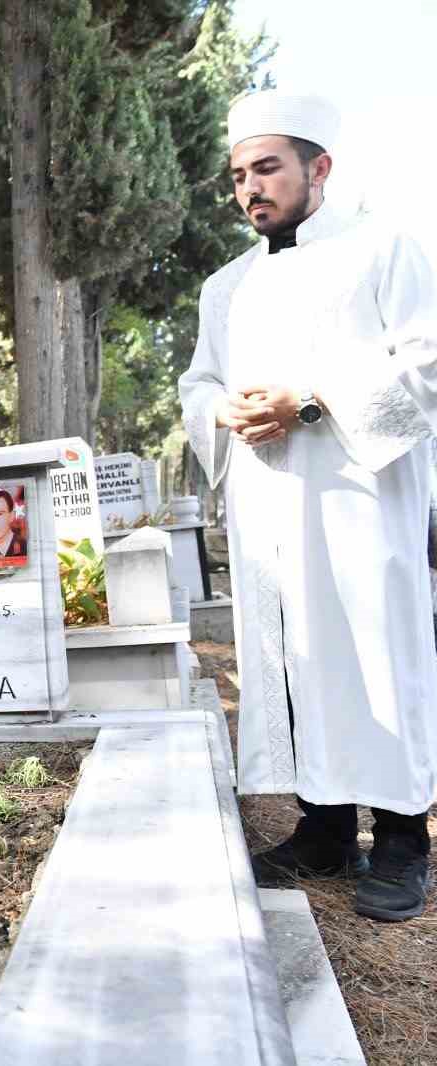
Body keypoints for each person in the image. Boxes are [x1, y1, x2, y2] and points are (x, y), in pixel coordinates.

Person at [179, 91, 437, 922]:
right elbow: (200, 380)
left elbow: (428, 361)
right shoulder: (226, 287)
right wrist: (220, 410)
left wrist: (311, 400)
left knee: (374, 653)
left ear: (318, 168)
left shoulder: (382, 248)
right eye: (239, 176)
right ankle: (322, 828)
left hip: (361, 501)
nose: (252, 189)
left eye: (268, 168)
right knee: (293, 659)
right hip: (267, 508)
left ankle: (402, 839)